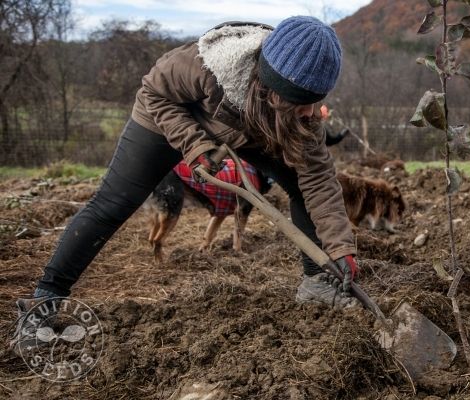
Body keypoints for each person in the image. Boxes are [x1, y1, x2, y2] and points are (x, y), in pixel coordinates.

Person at [11, 17, 360, 355]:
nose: (313, 111)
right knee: (114, 202)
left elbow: (319, 180)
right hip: (168, 117)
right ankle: (46, 297)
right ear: (269, 88)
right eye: (303, 102)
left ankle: (316, 282)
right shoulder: (205, 65)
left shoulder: (305, 116)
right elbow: (154, 91)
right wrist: (193, 145)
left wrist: (340, 246)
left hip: (255, 126)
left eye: (317, 100)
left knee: (302, 185)